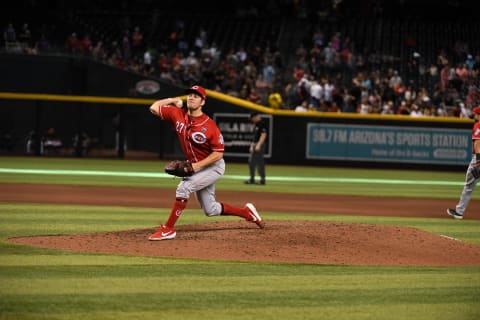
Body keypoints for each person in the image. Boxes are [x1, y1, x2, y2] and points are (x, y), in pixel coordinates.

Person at [148, 85, 265, 240]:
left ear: (203, 102)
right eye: (189, 95)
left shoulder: (209, 125)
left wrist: (195, 167)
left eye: (196, 96)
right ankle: (246, 212)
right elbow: (154, 107)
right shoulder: (177, 114)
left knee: (184, 187)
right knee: (211, 209)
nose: (191, 97)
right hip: (197, 167)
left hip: (213, 166)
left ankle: (168, 229)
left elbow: (218, 153)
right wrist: (173, 100)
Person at [447, 105, 480, 219]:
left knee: (469, 186)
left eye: (476, 114)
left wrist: (478, 159)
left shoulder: (478, 125)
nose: (474, 116)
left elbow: (477, 143)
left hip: (478, 159)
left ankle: (459, 212)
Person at [245, 112, 267, 185]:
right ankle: (252, 179)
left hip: (259, 145)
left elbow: (263, 135)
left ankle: (262, 179)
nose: (252, 120)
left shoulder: (262, 123)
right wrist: (252, 145)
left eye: (252, 118)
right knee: (251, 162)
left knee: (259, 162)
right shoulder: (257, 124)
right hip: (255, 144)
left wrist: (259, 145)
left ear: (256, 117)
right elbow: (255, 137)